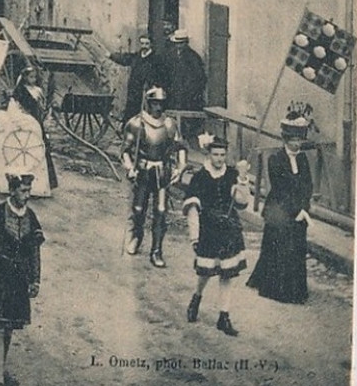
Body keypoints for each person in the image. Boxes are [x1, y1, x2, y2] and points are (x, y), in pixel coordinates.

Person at [0, 170, 44, 386]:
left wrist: (35, 279)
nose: (28, 195)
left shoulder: (31, 217)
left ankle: (1, 371)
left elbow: (34, 251)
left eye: (29, 190)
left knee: (10, 326)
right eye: (24, 190)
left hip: (19, 278)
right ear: (12, 190)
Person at [183, 134, 250, 336]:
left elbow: (241, 202)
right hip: (209, 230)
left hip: (229, 229)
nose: (219, 159)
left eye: (222, 155)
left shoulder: (231, 174)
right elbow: (193, 208)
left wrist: (243, 179)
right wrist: (194, 237)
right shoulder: (200, 177)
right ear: (209, 154)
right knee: (205, 272)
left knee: (227, 274)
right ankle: (197, 297)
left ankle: (224, 316)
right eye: (216, 154)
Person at [246, 110, 313, 304]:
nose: (297, 144)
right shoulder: (276, 159)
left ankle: (296, 290)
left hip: (298, 209)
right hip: (279, 208)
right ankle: (276, 289)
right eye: (293, 140)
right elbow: (280, 189)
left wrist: (304, 208)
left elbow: (307, 186)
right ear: (285, 139)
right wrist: (295, 210)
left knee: (298, 243)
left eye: (300, 140)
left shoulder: (302, 159)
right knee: (280, 240)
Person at [121, 87, 185, 266]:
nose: (158, 107)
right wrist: (129, 168)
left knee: (161, 210)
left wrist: (180, 168)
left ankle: (157, 250)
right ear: (148, 103)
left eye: (161, 104)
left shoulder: (170, 124)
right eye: (155, 103)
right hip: (142, 169)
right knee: (139, 208)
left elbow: (180, 147)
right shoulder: (136, 123)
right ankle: (136, 236)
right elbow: (125, 151)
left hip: (162, 171)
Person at [12, 65, 58, 190]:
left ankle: (43, 182)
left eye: (34, 77)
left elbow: (41, 106)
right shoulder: (20, 90)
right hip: (25, 119)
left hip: (36, 119)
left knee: (40, 144)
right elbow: (15, 106)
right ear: (25, 77)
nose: (33, 79)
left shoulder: (38, 90)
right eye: (30, 77)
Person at [109, 30, 169, 127]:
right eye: (142, 43)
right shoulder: (136, 57)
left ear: (151, 44)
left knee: (147, 115)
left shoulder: (156, 59)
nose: (144, 46)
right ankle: (129, 132)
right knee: (131, 113)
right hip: (134, 91)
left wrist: (155, 85)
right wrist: (111, 56)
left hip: (147, 91)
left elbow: (161, 75)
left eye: (147, 43)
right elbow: (124, 59)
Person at [164, 30, 207, 139]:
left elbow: (199, 79)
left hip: (188, 97)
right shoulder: (171, 55)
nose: (179, 45)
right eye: (177, 43)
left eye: (182, 43)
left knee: (187, 123)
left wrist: (189, 92)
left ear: (186, 43)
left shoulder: (193, 58)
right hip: (173, 93)